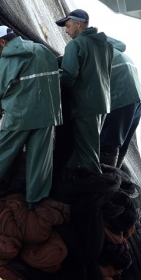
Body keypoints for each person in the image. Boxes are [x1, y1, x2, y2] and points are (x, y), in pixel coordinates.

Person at [0, 26, 62, 210]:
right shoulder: (43, 50)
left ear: (3, 42)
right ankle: (33, 201)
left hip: (19, 117)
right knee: (40, 158)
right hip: (47, 115)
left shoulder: (6, 62)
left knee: (2, 153)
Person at [56, 9, 113, 174]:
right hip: (103, 104)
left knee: (88, 154)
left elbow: (68, 76)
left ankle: (93, 190)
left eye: (67, 26)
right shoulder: (106, 45)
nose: (66, 31)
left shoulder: (76, 44)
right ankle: (75, 185)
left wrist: (47, 81)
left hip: (85, 105)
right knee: (85, 148)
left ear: (78, 24)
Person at [100, 36, 141, 168]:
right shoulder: (121, 55)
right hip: (139, 102)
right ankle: (115, 177)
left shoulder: (102, 54)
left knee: (108, 143)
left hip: (122, 98)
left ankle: (101, 181)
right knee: (122, 145)